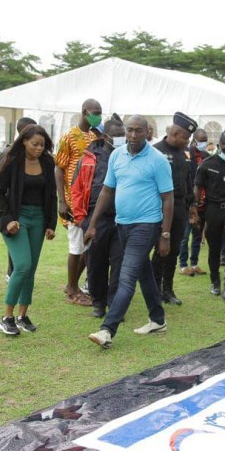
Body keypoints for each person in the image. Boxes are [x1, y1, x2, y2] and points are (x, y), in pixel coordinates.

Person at [86, 115, 174, 349]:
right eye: (130, 130)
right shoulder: (117, 155)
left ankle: (107, 329)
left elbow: (168, 198)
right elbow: (106, 190)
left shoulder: (157, 161)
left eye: (138, 131)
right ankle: (157, 319)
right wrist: (93, 224)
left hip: (146, 226)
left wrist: (165, 235)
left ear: (148, 132)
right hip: (122, 224)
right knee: (143, 272)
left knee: (126, 277)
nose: (133, 135)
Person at [0, 125, 58, 335]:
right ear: (24, 142)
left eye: (42, 145)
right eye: (35, 144)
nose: (39, 148)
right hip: (16, 219)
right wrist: (8, 219)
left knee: (31, 270)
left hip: (38, 218)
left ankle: (22, 315)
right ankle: (7, 317)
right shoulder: (12, 161)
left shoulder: (47, 161)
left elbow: (51, 194)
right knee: (22, 266)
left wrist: (51, 224)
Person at [73, 118, 125, 319]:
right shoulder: (88, 158)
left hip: (122, 219)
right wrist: (81, 219)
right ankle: (98, 302)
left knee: (120, 264)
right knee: (96, 262)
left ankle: (115, 304)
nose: (122, 139)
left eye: (123, 135)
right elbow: (76, 189)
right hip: (95, 219)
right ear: (105, 137)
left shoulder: (127, 156)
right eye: (118, 136)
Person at [55, 98, 102, 306]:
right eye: (95, 112)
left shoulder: (94, 136)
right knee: (76, 245)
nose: (98, 116)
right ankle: (72, 289)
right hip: (73, 200)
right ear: (84, 112)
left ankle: (72, 284)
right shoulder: (69, 136)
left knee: (87, 245)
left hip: (89, 199)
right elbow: (59, 168)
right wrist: (62, 201)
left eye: (100, 112)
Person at [152, 112, 197, 305]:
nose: (186, 142)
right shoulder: (155, 151)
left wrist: (192, 205)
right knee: (159, 248)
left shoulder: (185, 153)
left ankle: (167, 290)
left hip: (180, 208)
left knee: (173, 250)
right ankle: (154, 288)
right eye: (185, 138)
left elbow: (189, 181)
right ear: (175, 133)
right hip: (159, 207)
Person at [191, 130, 225, 300]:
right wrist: (195, 210)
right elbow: (198, 187)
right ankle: (215, 282)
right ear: (219, 145)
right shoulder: (207, 164)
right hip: (213, 210)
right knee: (214, 249)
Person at [0, 117, 37, 281]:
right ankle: (12, 273)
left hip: (30, 208)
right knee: (15, 237)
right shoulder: (8, 154)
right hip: (12, 207)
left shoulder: (36, 154)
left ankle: (14, 272)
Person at [179, 128, 209, 277]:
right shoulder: (185, 155)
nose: (203, 144)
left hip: (202, 203)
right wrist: (191, 201)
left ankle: (195, 263)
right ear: (194, 140)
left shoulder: (206, 156)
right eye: (201, 141)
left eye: (205, 141)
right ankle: (183, 265)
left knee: (197, 234)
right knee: (185, 235)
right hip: (188, 202)